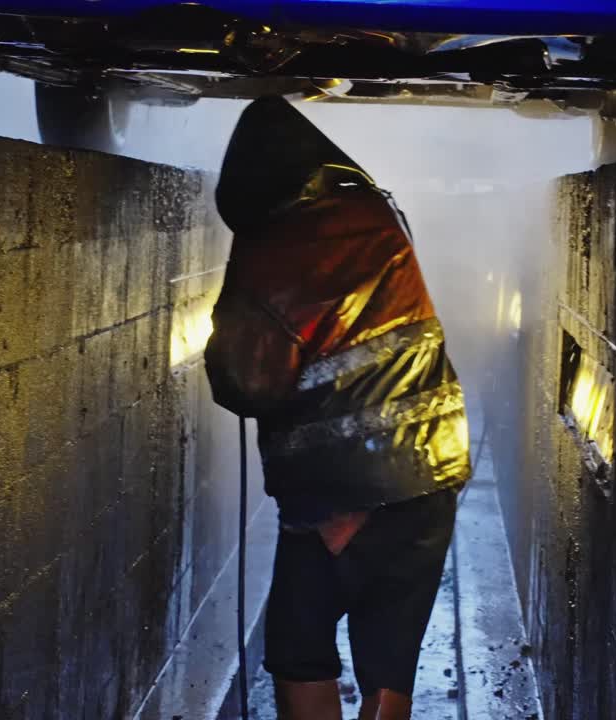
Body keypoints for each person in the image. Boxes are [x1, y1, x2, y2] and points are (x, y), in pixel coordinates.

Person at [205, 97, 472, 720]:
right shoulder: (379, 214)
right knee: (389, 655)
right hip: (430, 474)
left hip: (341, 490)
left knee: (299, 648)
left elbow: (244, 383)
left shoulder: (275, 247)